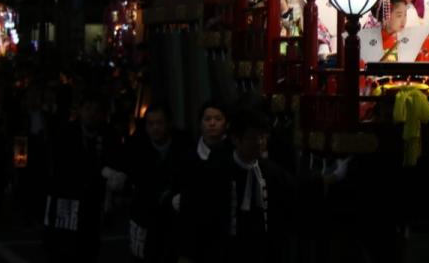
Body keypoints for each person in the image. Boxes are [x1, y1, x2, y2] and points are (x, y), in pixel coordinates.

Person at [178, 109, 295, 262]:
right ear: (236, 139)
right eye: (252, 138)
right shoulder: (213, 171)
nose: (259, 142)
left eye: (262, 137)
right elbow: (193, 215)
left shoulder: (273, 173)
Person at [43, 92, 119, 263]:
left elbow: (114, 160)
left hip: (93, 198)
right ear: (80, 111)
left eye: (96, 110)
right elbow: (58, 165)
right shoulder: (66, 132)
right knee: (64, 243)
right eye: (88, 109)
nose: (92, 113)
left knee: (90, 245)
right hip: (68, 196)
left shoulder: (107, 133)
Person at [122, 104, 189, 262]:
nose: (155, 128)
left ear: (168, 124)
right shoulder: (137, 145)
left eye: (160, 123)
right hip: (145, 214)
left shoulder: (183, 144)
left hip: (173, 216)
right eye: (151, 124)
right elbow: (136, 180)